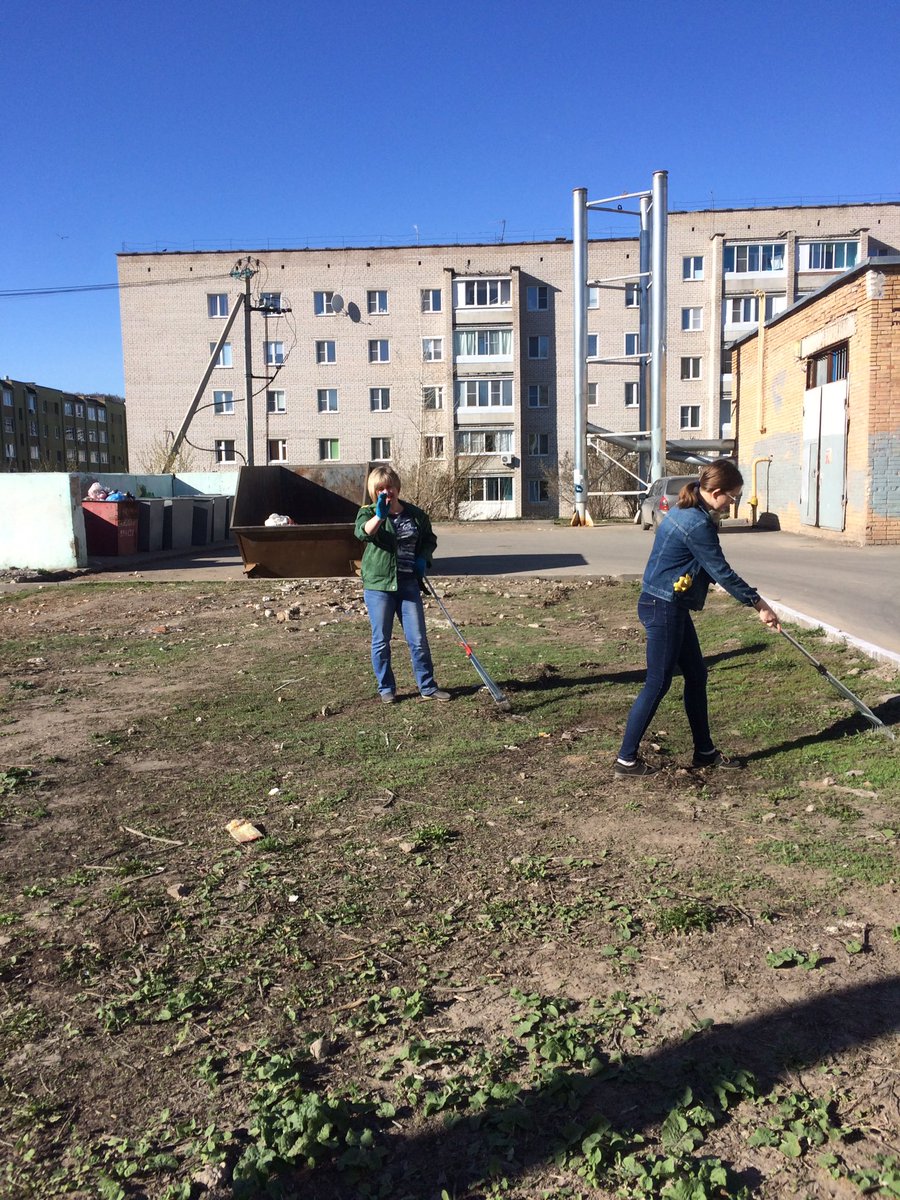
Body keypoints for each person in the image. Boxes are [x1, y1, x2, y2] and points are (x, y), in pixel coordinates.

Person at [615, 459, 780, 776]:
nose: (733, 504)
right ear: (716, 492)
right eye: (733, 497)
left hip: (667, 603)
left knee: (696, 674)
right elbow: (720, 570)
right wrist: (759, 604)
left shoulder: (689, 508)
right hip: (662, 606)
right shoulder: (696, 523)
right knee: (658, 682)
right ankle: (626, 759)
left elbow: (706, 567)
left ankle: (704, 751)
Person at [355, 466, 450, 704]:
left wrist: (423, 559)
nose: (386, 492)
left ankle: (427, 686)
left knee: (418, 639)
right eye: (380, 488)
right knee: (381, 640)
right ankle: (386, 687)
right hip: (379, 586)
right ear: (373, 491)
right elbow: (363, 534)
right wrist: (380, 516)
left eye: (390, 487)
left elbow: (429, 539)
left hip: (408, 583)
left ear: (397, 488)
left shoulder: (416, 515)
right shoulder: (367, 513)